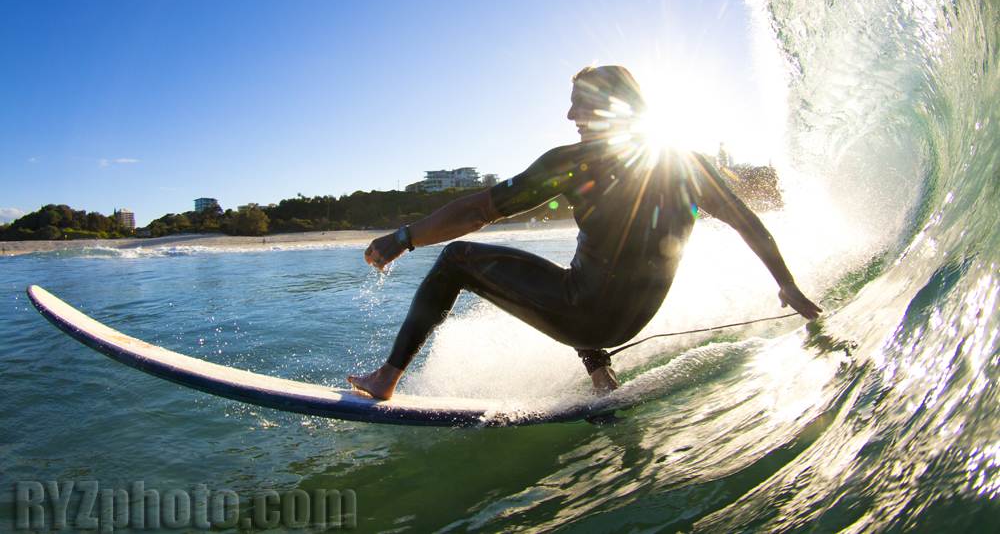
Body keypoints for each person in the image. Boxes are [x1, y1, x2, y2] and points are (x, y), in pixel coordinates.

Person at [348, 65, 822, 400]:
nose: (570, 116)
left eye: (579, 104)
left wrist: (404, 237)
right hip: (633, 318)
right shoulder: (689, 163)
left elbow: (478, 210)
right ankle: (601, 376)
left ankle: (387, 377)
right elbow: (748, 223)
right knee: (585, 268)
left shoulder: (572, 163)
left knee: (457, 260)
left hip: (588, 316)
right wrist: (787, 284)